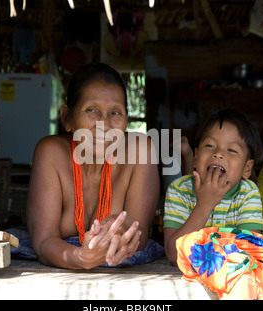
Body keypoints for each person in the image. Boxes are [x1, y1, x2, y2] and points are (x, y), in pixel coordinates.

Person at [26, 63, 162, 270]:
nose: (105, 125)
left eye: (115, 113)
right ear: (67, 118)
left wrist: (124, 227)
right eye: (92, 110)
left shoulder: (141, 150)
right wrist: (79, 257)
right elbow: (44, 241)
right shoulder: (51, 152)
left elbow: (138, 236)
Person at [163, 109, 263, 266]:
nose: (218, 153)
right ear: (195, 158)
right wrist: (204, 205)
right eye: (209, 145)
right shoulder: (179, 190)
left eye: (231, 150)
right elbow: (173, 254)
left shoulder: (248, 193)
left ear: (247, 168)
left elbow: (249, 251)